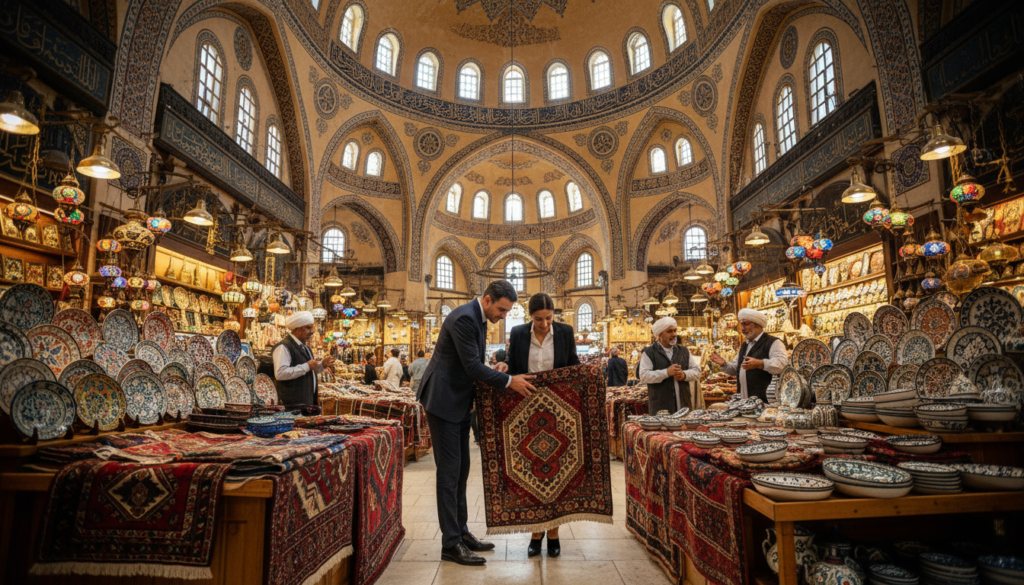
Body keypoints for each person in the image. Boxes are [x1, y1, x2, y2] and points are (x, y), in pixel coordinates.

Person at [416, 280, 537, 566]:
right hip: (444, 400)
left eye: (507, 312)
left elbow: (470, 361)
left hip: (458, 401)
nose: (504, 316)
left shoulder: (477, 317)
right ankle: (450, 543)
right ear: (487, 300)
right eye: (502, 309)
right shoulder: (464, 318)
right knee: (449, 474)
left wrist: (494, 368)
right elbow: (471, 367)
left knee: (460, 472)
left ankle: (462, 533)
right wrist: (509, 381)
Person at [504, 292, 580, 557]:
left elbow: (573, 366)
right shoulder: (518, 333)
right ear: (530, 316)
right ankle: (536, 533)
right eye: (539, 319)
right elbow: (514, 368)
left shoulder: (565, 332)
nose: (545, 324)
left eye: (549, 318)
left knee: (558, 470)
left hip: (560, 411)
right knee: (533, 470)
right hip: (527, 410)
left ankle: (555, 534)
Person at [709, 308, 788, 401]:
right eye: (741, 324)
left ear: (758, 325)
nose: (742, 328)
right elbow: (736, 369)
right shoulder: (745, 345)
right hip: (746, 403)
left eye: (746, 324)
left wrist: (760, 363)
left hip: (766, 402)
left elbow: (782, 365)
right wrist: (724, 364)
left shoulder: (773, 342)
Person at [639, 317, 701, 413]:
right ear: (659, 334)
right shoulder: (649, 353)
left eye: (675, 331)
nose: (674, 334)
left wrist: (684, 375)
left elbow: (697, 371)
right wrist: (666, 372)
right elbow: (643, 376)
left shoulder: (684, 351)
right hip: (660, 408)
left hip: (684, 406)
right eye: (669, 331)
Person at [272, 311, 334, 406]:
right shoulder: (283, 347)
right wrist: (306, 366)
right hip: (292, 407)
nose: (312, 331)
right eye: (308, 328)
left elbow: (309, 370)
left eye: (312, 327)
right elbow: (280, 373)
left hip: (306, 403)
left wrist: (321, 365)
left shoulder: (306, 348)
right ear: (297, 329)